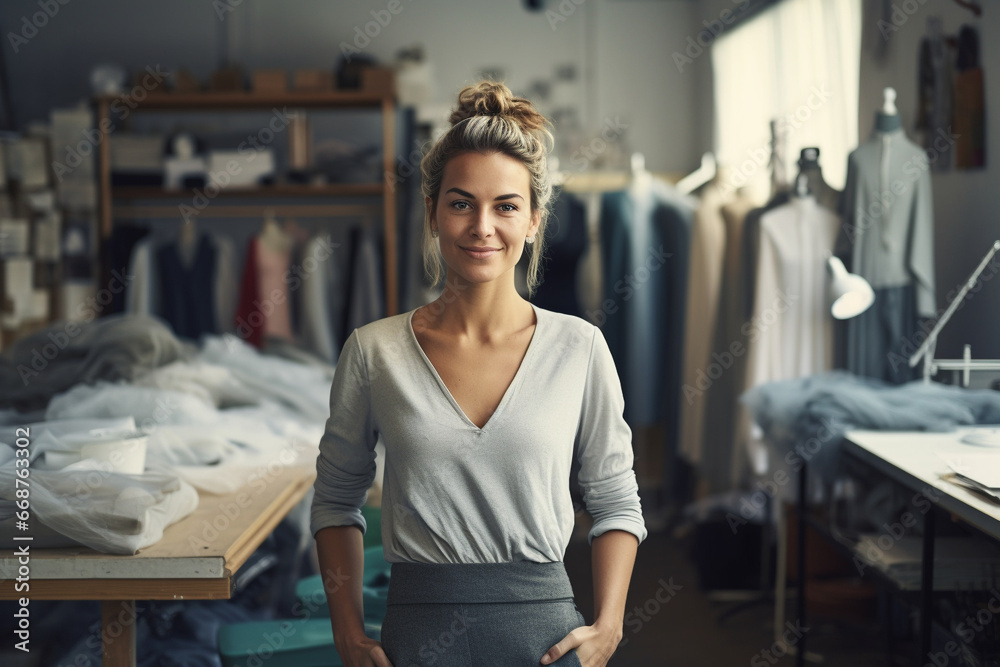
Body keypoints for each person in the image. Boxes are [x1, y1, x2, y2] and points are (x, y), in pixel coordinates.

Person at [310, 80, 647, 667]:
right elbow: (336, 499)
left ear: (535, 221)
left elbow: (616, 501)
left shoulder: (580, 347)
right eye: (461, 202)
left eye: (506, 206)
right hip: (417, 639)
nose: (482, 227)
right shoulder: (375, 351)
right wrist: (348, 635)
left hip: (546, 641)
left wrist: (610, 625)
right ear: (434, 213)